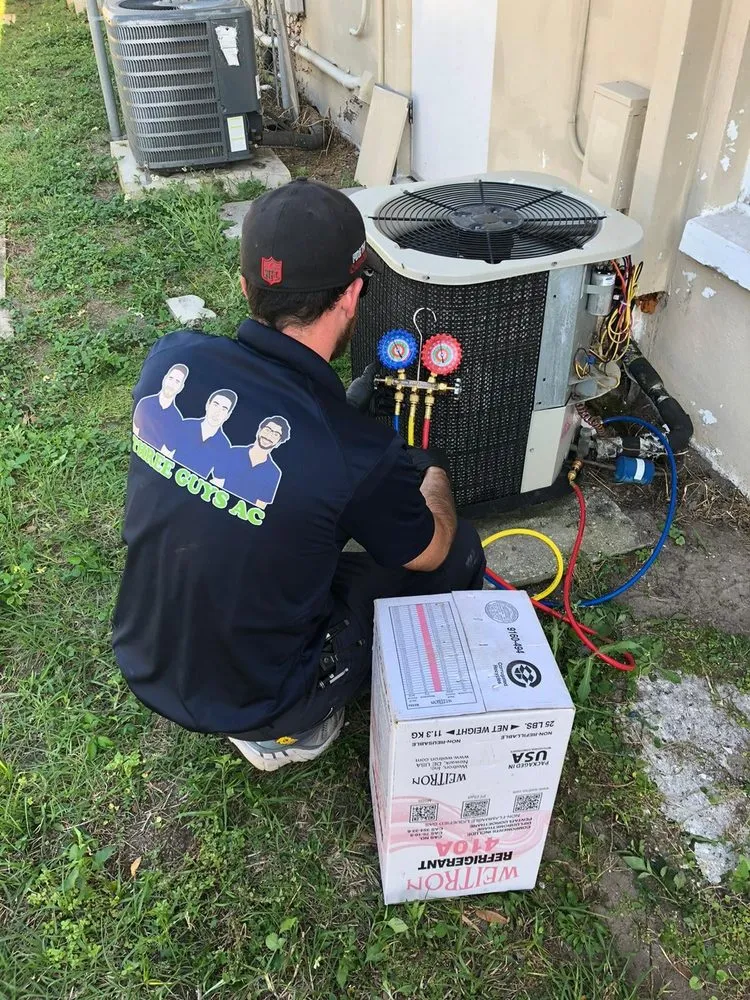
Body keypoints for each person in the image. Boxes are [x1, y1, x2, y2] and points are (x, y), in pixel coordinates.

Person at [112, 178, 485, 772]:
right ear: (352, 295)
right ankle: (293, 730)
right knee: (460, 549)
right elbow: (431, 550)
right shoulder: (353, 450)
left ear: (245, 286)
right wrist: (432, 471)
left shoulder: (171, 359)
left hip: (144, 652)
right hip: (262, 700)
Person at [224, 415, 290, 508]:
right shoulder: (233, 452)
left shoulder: (274, 473)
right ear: (259, 430)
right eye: (267, 430)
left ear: (278, 443)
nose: (269, 436)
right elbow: (217, 482)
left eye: (276, 434)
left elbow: (260, 506)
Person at [173, 388, 236, 483]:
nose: (217, 412)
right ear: (207, 405)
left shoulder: (224, 446)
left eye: (224, 409)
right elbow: (166, 451)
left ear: (227, 416)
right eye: (215, 405)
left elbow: (218, 480)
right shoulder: (185, 425)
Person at [132, 362, 187, 456]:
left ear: (181, 387)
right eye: (171, 378)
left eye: (177, 381)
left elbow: (168, 453)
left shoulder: (177, 419)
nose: (172, 384)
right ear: (164, 379)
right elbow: (135, 434)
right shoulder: (145, 403)